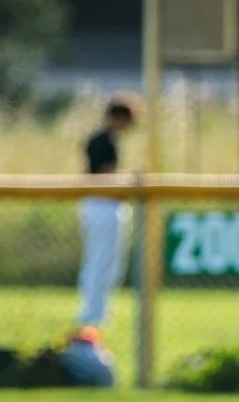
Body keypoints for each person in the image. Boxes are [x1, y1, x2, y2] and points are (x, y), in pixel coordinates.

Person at [76, 94, 139, 330]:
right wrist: (132, 180)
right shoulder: (105, 141)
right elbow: (106, 175)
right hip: (103, 205)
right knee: (102, 262)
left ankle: (94, 312)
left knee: (99, 262)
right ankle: (93, 314)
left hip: (93, 205)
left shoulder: (97, 139)